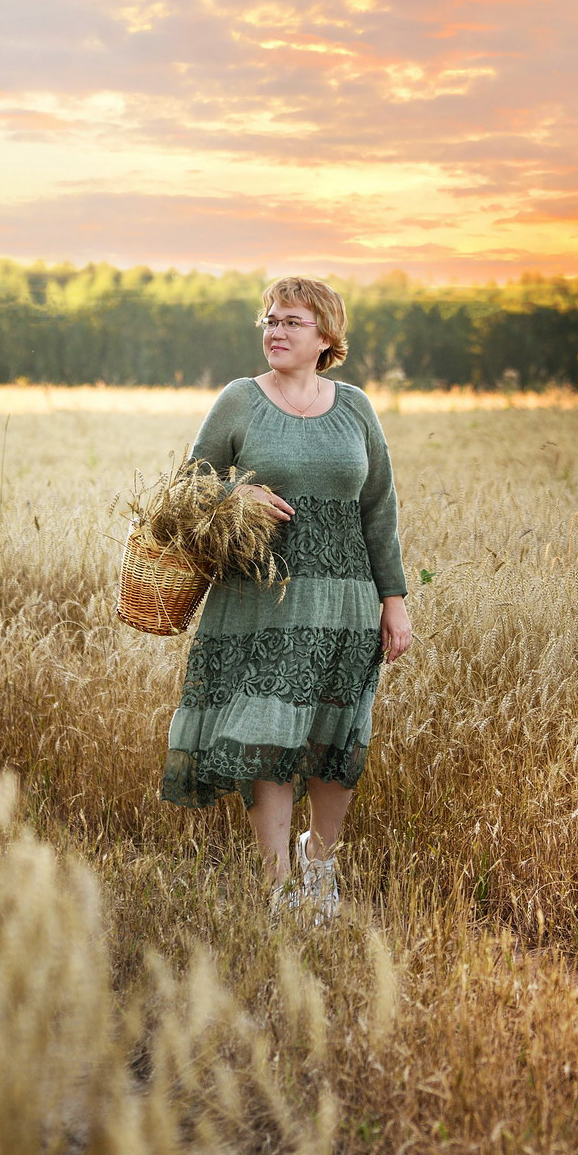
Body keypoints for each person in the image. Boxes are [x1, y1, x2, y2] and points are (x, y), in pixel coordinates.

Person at [161, 275, 412, 913]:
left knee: (336, 739)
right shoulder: (239, 402)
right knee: (267, 736)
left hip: (346, 603)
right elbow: (184, 489)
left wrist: (395, 599)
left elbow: (378, 507)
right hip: (260, 601)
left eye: (292, 322)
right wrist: (232, 494)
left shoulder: (355, 406)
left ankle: (320, 871)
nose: (275, 331)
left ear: (326, 336)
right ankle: (276, 887)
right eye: (270, 320)